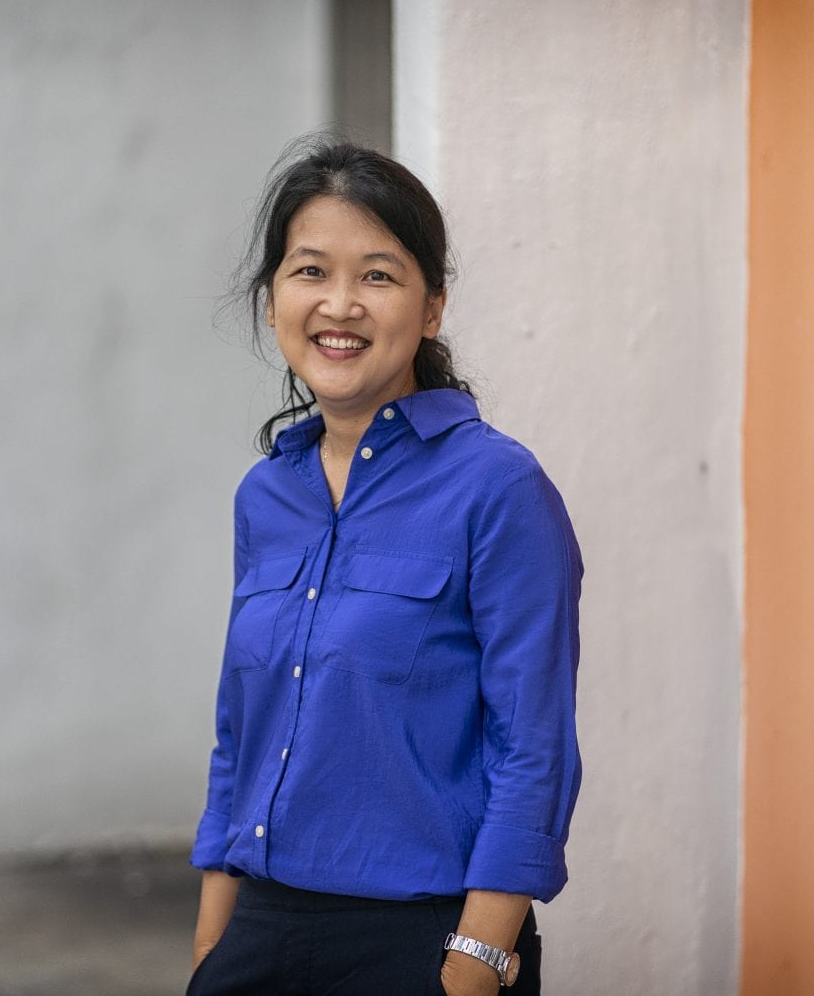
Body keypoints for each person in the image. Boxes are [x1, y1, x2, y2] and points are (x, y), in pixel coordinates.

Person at [186, 139, 583, 996]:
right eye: (309, 271)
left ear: (432, 307)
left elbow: (534, 745)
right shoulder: (266, 495)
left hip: (422, 940)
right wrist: (214, 944)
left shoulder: (498, 488)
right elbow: (239, 731)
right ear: (271, 302)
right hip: (261, 930)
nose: (339, 304)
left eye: (377, 275)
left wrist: (473, 964)